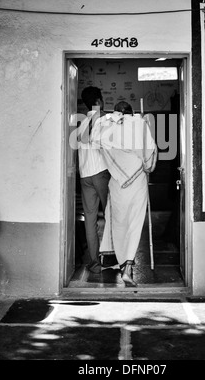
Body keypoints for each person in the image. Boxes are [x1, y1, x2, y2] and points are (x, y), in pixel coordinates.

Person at [91, 100, 158, 286]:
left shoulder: (104, 128)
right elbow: (149, 162)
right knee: (134, 224)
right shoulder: (138, 124)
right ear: (131, 112)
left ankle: (122, 265)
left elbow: (94, 143)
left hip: (117, 183)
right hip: (137, 182)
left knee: (118, 225)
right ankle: (128, 266)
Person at [77, 86, 111, 274]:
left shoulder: (81, 123)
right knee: (112, 215)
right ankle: (117, 257)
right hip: (101, 173)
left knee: (90, 219)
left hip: (85, 176)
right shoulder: (104, 119)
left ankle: (94, 263)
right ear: (99, 101)